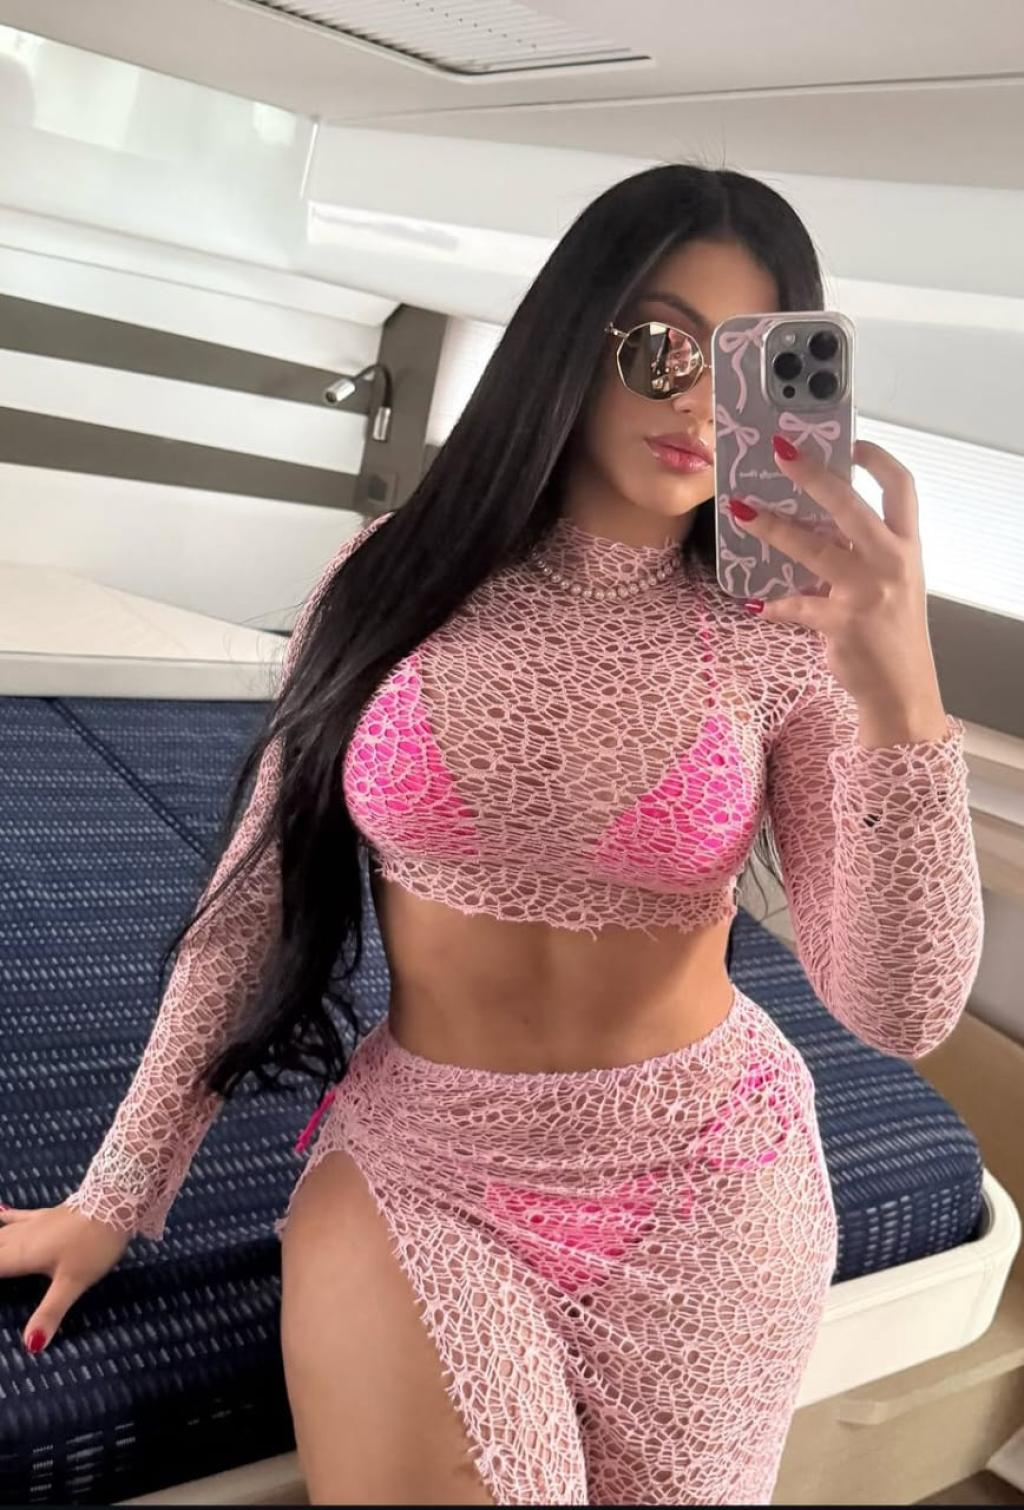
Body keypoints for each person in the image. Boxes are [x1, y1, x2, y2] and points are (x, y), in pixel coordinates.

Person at [0, 164, 984, 1506]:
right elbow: (250, 906)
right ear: (572, 339)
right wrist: (117, 1194)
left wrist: (900, 690)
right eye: (660, 348)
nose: (700, 405)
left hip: (716, 1182)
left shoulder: (789, 636)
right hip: (427, 1170)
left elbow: (898, 1009)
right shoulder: (390, 576)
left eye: (744, 369)